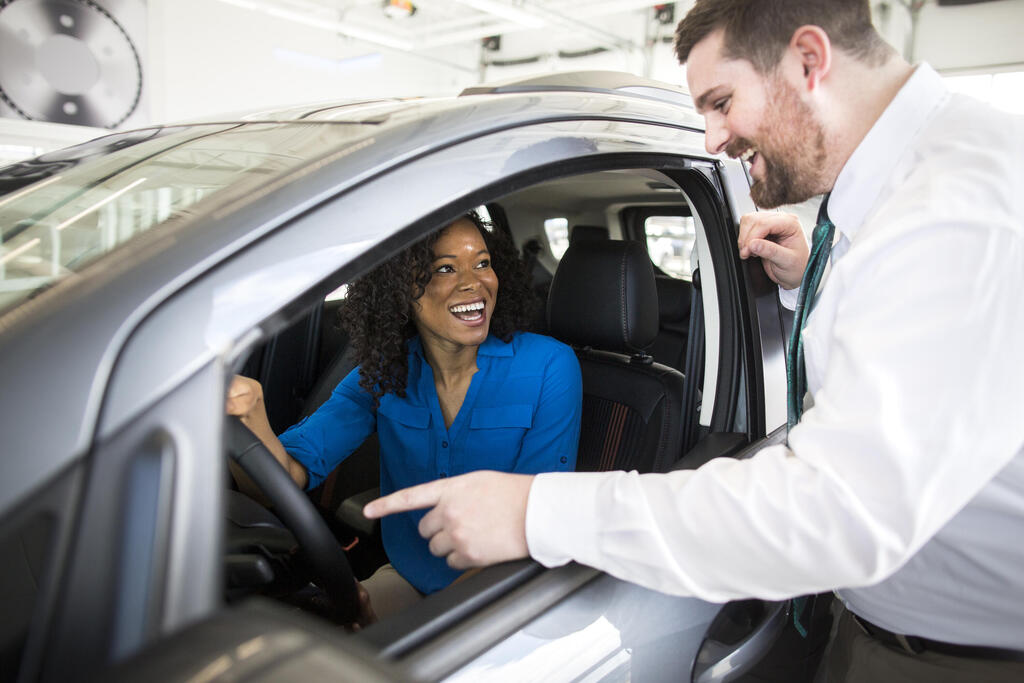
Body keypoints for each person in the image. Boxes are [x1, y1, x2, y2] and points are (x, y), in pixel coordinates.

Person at [363, 1, 1024, 680]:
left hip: (957, 659)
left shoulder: (952, 210)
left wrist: (536, 512)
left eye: (721, 102)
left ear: (808, 60)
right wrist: (815, 280)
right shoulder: (904, 197)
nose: (711, 139)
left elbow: (836, 512)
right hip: (881, 627)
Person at [227, 212, 582, 620]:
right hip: (410, 579)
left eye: (482, 263)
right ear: (400, 289)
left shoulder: (549, 366)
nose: (474, 282)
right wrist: (248, 417)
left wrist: (416, 629)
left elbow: (533, 525)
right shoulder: (382, 373)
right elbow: (282, 479)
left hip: (509, 585)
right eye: (445, 268)